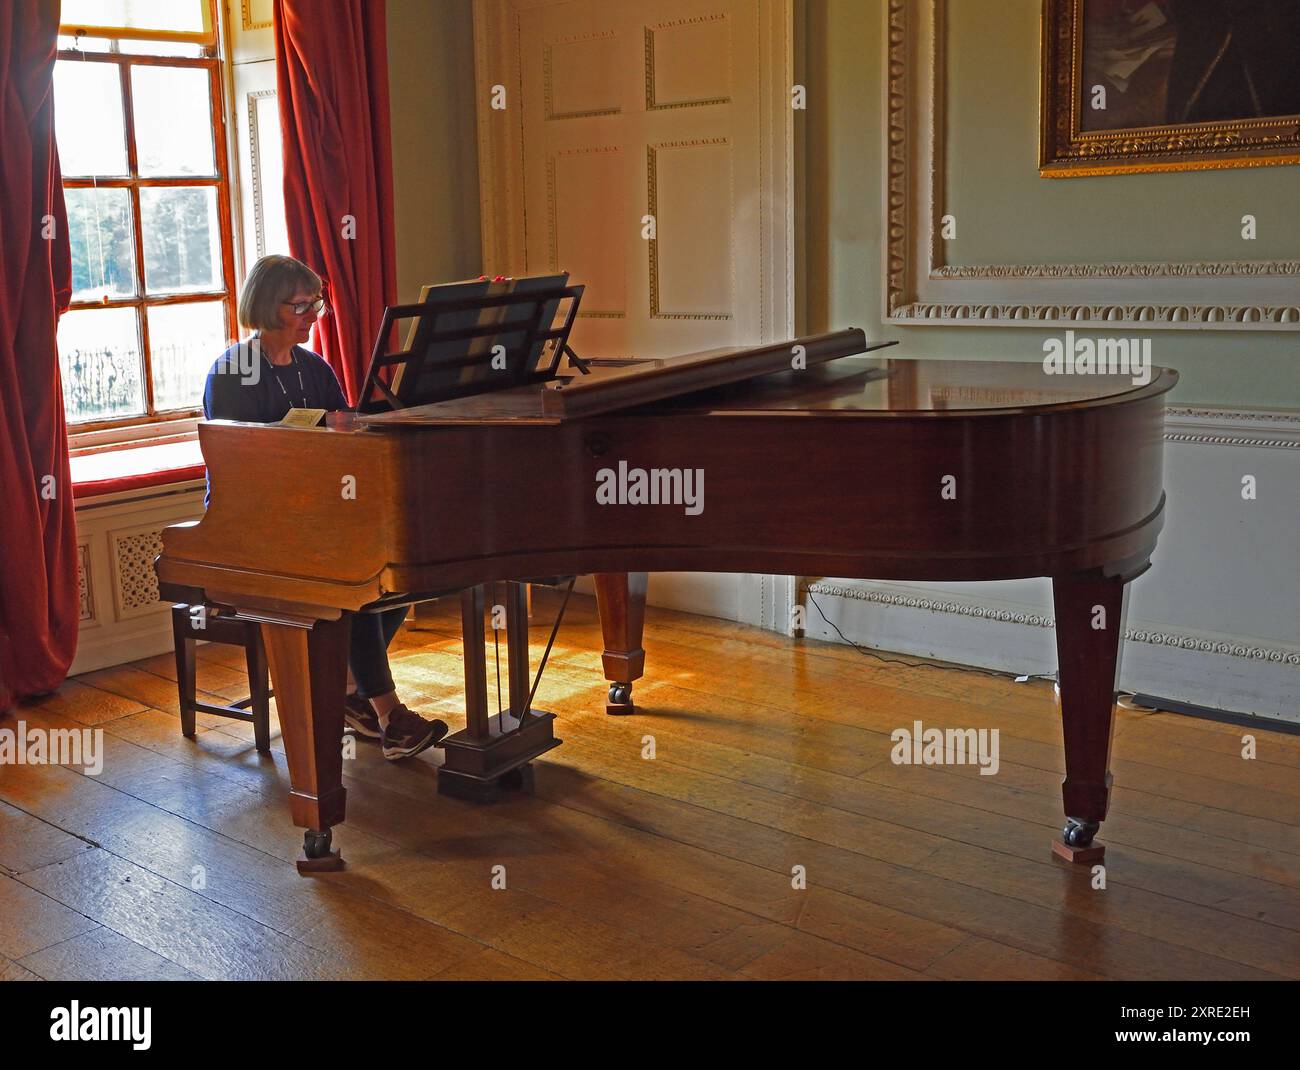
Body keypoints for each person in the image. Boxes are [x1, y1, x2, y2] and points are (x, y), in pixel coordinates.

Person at [203, 254, 446, 761]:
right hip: (250, 524)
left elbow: (344, 443)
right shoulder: (233, 370)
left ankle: (354, 694)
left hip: (315, 514)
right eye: (302, 305)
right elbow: (238, 465)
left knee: (401, 569)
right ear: (268, 307)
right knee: (351, 578)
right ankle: (388, 714)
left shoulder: (313, 367)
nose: (315, 313)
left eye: (317, 303)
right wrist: (318, 433)